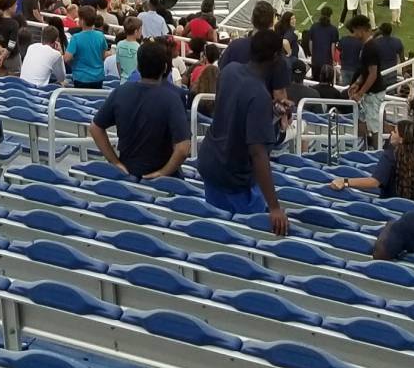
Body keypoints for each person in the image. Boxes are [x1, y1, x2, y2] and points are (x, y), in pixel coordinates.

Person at [195, 20, 289, 233]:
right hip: (233, 176)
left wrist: (271, 111)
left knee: (215, 231)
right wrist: (274, 207)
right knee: (239, 237)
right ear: (275, 57)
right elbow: (258, 153)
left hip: (211, 162)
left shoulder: (229, 71)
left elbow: (233, 111)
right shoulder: (258, 94)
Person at [87, 39, 190, 181]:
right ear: (166, 68)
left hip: (126, 175)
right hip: (165, 183)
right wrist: (163, 173)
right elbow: (183, 148)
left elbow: (95, 128)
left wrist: (114, 161)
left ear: (138, 67)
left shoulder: (120, 92)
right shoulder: (173, 99)